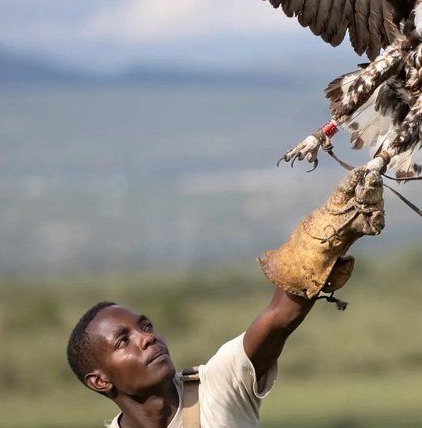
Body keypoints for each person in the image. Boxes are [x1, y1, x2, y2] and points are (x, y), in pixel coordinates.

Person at [65, 166, 385, 428]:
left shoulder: (218, 385)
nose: (147, 339)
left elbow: (279, 317)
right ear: (99, 381)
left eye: (145, 327)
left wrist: (334, 228)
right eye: (123, 341)